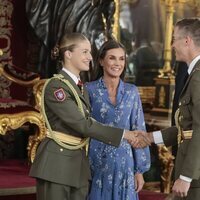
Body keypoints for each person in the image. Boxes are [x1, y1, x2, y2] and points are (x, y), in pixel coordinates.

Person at [29, 33, 149, 200]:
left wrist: (139, 169)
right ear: (68, 54)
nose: (89, 57)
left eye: (90, 52)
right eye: (85, 52)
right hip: (58, 165)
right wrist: (125, 134)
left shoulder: (80, 88)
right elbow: (83, 124)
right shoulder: (57, 87)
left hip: (79, 165)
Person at [135, 18, 200, 200]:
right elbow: (185, 128)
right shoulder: (193, 74)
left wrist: (186, 176)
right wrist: (149, 137)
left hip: (195, 176)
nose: (172, 45)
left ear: (187, 41)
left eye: (174, 39)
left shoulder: (198, 77)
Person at [85, 40, 150, 200]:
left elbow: (139, 129)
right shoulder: (88, 89)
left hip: (125, 163)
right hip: (96, 162)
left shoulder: (132, 92)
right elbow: (84, 127)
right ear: (101, 61)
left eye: (121, 59)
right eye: (112, 58)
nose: (117, 63)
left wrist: (139, 170)